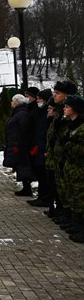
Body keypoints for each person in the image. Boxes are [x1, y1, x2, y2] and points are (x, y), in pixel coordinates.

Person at [46, 80, 78, 223]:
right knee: (60, 186)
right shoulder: (59, 110)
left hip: (65, 156)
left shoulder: (69, 112)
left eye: (58, 93)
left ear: (67, 96)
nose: (54, 95)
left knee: (69, 189)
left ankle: (69, 216)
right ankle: (63, 212)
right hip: (57, 154)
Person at [61, 95, 84, 242]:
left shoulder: (81, 127)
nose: (64, 109)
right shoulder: (71, 125)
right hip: (72, 168)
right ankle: (77, 225)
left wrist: (69, 145)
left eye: (67, 107)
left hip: (80, 169)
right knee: (74, 197)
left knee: (81, 199)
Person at [28, 89, 53, 207]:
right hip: (39, 146)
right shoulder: (41, 112)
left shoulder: (45, 113)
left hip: (43, 147)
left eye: (40, 99)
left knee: (44, 175)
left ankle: (45, 198)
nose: (38, 101)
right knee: (41, 174)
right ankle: (42, 196)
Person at [2, 94, 31, 195]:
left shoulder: (21, 113)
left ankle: (27, 187)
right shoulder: (17, 113)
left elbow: (22, 130)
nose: (11, 103)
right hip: (15, 143)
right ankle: (25, 187)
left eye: (12, 101)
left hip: (18, 144)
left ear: (16, 102)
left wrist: (17, 142)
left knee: (22, 164)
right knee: (19, 164)